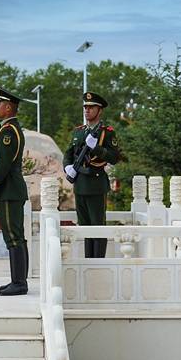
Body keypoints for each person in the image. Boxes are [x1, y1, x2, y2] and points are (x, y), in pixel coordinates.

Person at [0, 90, 29, 296]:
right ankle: (19, 280)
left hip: (10, 189)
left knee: (13, 236)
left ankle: (19, 282)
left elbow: (4, 164)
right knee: (16, 235)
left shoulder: (9, 131)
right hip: (10, 189)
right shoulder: (8, 129)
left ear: (8, 107)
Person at [65, 91, 122, 259]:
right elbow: (68, 153)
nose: (87, 110)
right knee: (84, 227)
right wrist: (67, 166)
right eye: (85, 107)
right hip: (80, 185)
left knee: (98, 227)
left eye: (91, 107)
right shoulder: (78, 132)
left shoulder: (107, 132)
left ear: (100, 110)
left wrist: (96, 148)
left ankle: (98, 263)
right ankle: (88, 262)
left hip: (96, 185)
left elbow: (114, 157)